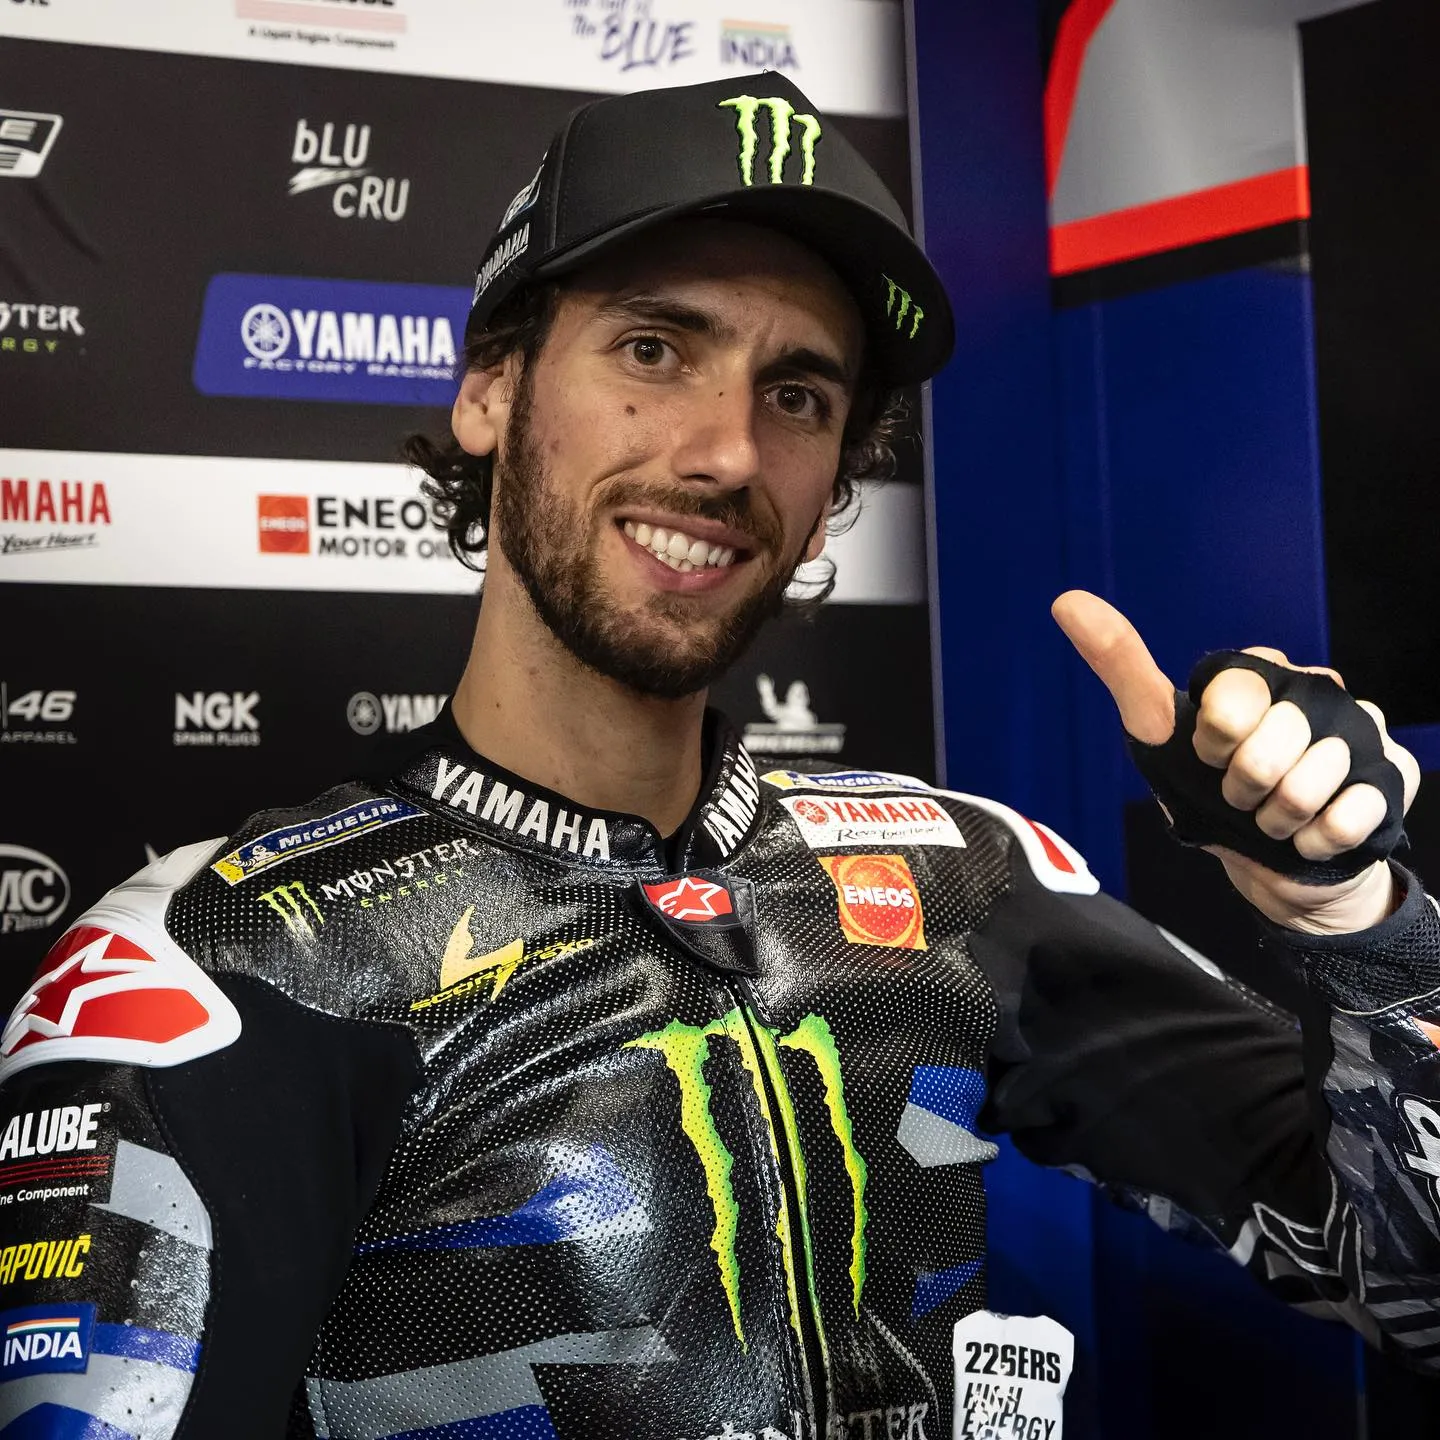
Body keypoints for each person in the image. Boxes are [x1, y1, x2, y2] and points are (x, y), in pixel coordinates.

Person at [0, 73, 1434, 1440]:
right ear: (491, 386)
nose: (728, 452)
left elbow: (1414, 1284)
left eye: (798, 394)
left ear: (833, 486)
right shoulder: (228, 964)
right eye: (654, 350)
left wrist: (1358, 925)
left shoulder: (959, 881)